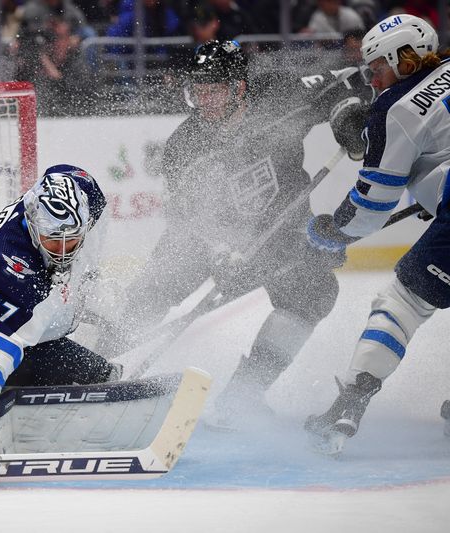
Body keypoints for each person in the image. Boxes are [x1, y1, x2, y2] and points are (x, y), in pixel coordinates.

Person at [105, 40, 372, 427]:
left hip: (284, 234)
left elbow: (353, 82)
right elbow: (184, 217)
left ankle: (242, 396)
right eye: (198, 92)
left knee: (314, 293)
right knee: (155, 287)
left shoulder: (280, 94)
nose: (205, 100)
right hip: (208, 242)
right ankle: (93, 363)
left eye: (213, 90)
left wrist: (346, 118)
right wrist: (218, 250)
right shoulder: (185, 144)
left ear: (239, 87)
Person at [304, 14, 450, 454]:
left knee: (403, 302)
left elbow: (371, 206)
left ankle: (350, 403)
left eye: (377, 67)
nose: (372, 78)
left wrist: (335, 229)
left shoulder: (396, 108)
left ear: (403, 58)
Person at [0, 165, 121, 403]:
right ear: (34, 225)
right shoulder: (14, 274)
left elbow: (69, 175)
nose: (62, 253)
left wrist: (86, 289)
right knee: (96, 374)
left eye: (72, 241)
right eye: (53, 242)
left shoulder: (70, 199)